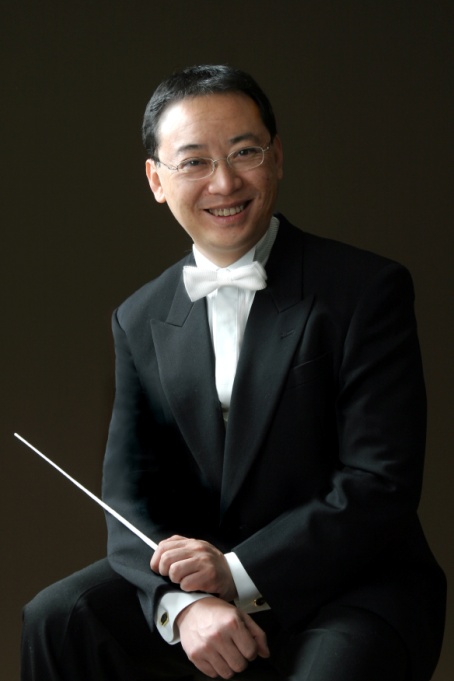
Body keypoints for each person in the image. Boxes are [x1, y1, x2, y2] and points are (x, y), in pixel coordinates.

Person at [21, 64, 446, 681]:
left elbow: (379, 482)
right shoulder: (138, 317)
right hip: (207, 586)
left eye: (245, 152)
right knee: (57, 617)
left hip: (353, 585)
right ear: (156, 180)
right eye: (194, 161)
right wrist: (184, 604)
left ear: (278, 157)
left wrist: (238, 571)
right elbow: (130, 499)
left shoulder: (367, 289)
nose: (224, 182)